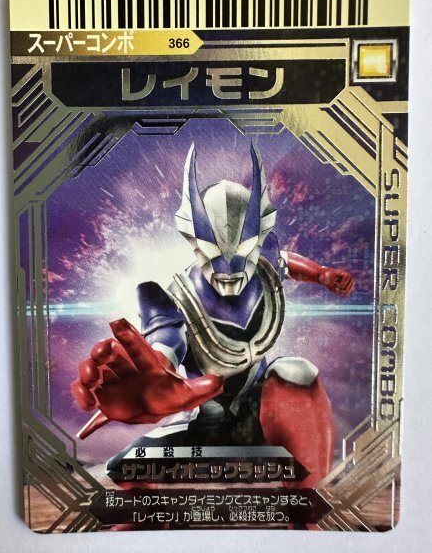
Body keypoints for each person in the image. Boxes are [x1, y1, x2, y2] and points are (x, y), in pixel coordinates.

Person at [72, 143, 354, 488]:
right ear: (194, 243)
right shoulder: (173, 300)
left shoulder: (264, 263)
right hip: (207, 418)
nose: (229, 270)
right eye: (213, 253)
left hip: (262, 411)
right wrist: (152, 379)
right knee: (126, 470)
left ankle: (307, 501)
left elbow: (283, 262)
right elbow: (164, 344)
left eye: (244, 253)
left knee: (296, 372)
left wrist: (320, 273)